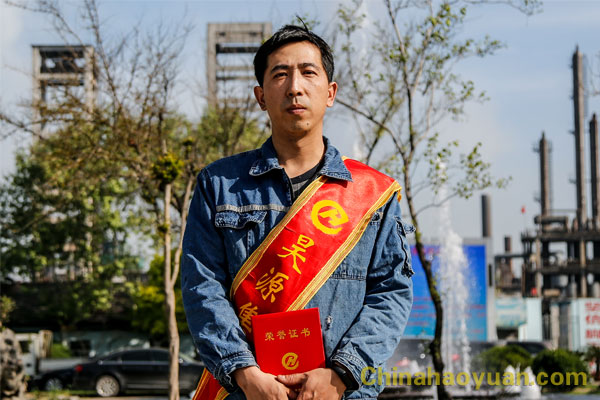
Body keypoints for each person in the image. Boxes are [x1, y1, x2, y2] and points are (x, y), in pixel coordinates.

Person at [181, 24, 414, 400]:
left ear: (330, 92)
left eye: (308, 72)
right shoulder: (219, 184)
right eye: (280, 74)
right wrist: (246, 375)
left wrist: (340, 374)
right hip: (247, 393)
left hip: (342, 393)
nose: (294, 87)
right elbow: (202, 287)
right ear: (260, 96)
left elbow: (391, 291)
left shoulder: (372, 193)